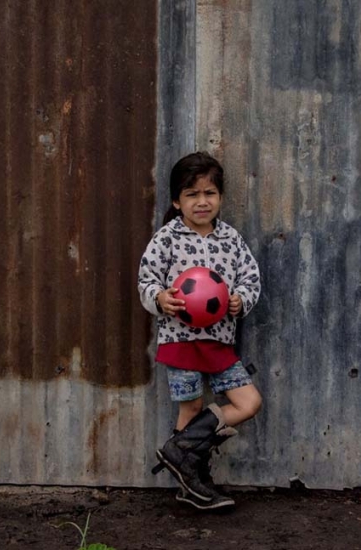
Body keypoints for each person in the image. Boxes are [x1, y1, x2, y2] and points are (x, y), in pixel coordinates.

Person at [137, 151, 262, 510]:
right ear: (177, 201)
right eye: (192, 194)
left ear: (220, 198)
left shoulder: (231, 240)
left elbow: (251, 279)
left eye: (209, 193)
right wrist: (160, 298)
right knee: (190, 407)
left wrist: (241, 300)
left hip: (220, 341)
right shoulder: (167, 239)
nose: (202, 201)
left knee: (249, 402)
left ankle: (178, 451)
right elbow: (146, 281)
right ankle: (192, 483)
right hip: (181, 339)